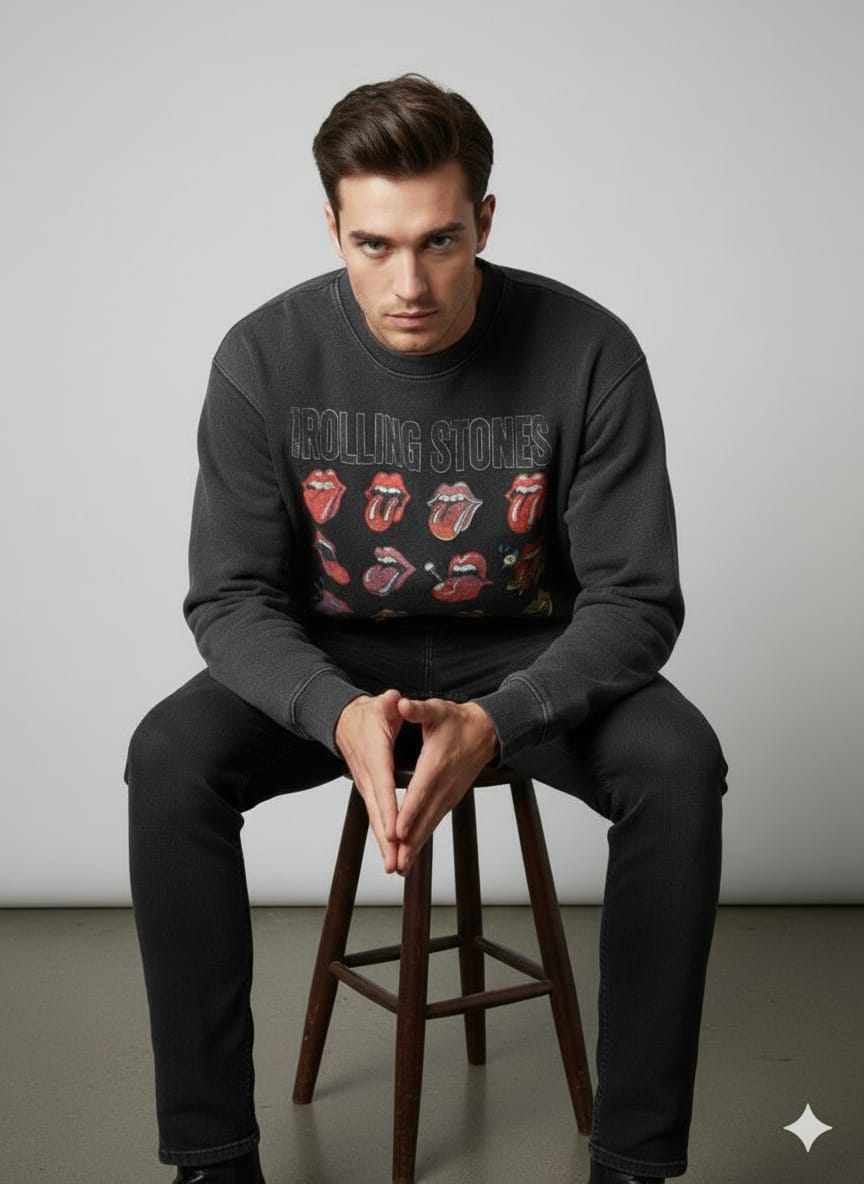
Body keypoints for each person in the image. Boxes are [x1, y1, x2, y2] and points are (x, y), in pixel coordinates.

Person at [125, 74, 727, 1184]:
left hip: (528, 655)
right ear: (332, 228)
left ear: (484, 220)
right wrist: (336, 712)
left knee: (679, 763)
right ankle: (212, 1158)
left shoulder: (590, 350)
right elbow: (230, 596)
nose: (408, 284)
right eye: (375, 244)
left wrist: (502, 719)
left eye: (440, 241)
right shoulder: (262, 357)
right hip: (337, 655)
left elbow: (638, 598)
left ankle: (636, 1162)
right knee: (168, 758)